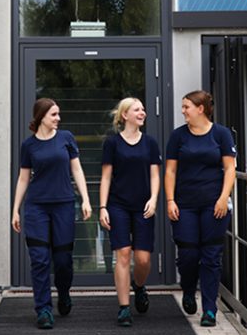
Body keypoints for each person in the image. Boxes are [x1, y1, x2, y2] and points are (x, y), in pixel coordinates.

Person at [12, 98, 92, 330]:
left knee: (63, 261)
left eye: (58, 114)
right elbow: (24, 177)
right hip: (37, 207)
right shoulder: (29, 146)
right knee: (39, 259)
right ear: (41, 117)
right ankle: (44, 309)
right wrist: (15, 209)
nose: (58, 118)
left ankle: (64, 292)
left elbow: (76, 169)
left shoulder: (66, 138)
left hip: (64, 205)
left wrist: (86, 199)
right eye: (54, 115)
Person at [164, 90, 237, 327]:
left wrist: (223, 198)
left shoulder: (221, 134)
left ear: (200, 109)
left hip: (213, 204)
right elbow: (171, 171)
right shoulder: (178, 136)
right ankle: (187, 289)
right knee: (188, 254)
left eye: (186, 106)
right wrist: (170, 200)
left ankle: (209, 310)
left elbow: (229, 169)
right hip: (184, 204)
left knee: (211, 257)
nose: (183, 110)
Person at [98, 97, 161, 327]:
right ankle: (124, 308)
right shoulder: (112, 144)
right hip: (118, 205)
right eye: (137, 109)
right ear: (125, 115)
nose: (142, 112)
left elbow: (155, 175)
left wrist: (154, 199)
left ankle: (139, 285)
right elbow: (106, 178)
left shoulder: (150, 144)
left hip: (143, 205)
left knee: (143, 260)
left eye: (143, 109)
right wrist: (102, 207)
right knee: (123, 254)